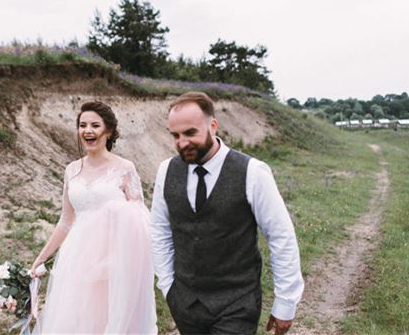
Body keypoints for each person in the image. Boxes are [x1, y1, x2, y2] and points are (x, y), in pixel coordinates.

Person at [151, 92, 304, 335]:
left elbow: (280, 236)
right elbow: (160, 230)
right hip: (185, 303)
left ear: (213, 126)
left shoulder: (253, 172)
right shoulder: (166, 171)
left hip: (237, 303)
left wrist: (286, 302)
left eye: (190, 133)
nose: (182, 143)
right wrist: (168, 285)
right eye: (175, 136)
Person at [30, 101, 157, 334]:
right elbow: (66, 221)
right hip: (77, 259)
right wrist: (41, 258)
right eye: (82, 125)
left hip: (114, 261)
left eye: (95, 125)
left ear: (108, 131)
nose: (87, 131)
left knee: (111, 318)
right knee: (78, 320)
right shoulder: (72, 170)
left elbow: (141, 221)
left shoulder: (125, 168)